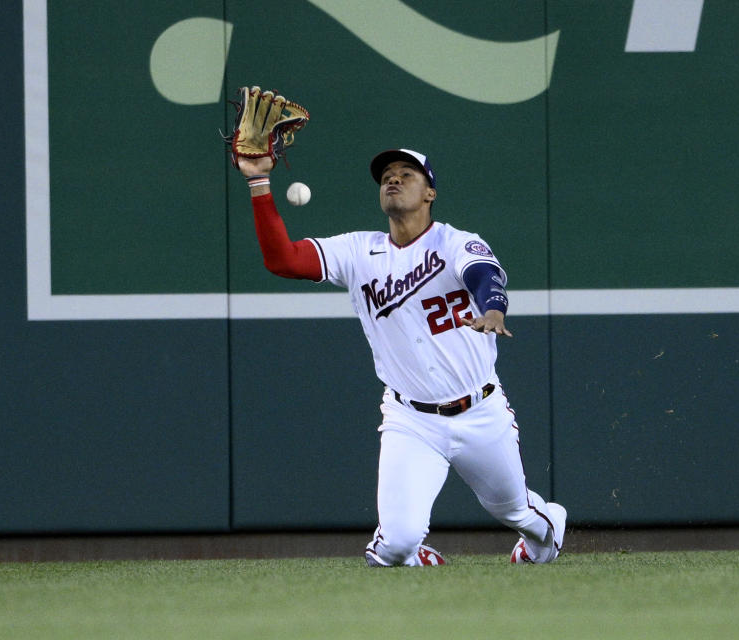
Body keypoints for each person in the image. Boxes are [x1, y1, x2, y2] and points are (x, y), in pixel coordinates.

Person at [237, 148, 566, 566]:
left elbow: (484, 276)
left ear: (430, 192)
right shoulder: (358, 252)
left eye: (406, 174)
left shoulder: (456, 242)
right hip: (411, 420)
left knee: (514, 510)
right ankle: (410, 553)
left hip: (481, 410)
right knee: (395, 545)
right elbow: (282, 260)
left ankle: (548, 530)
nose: (392, 180)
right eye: (386, 176)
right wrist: (258, 183)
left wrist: (494, 308)